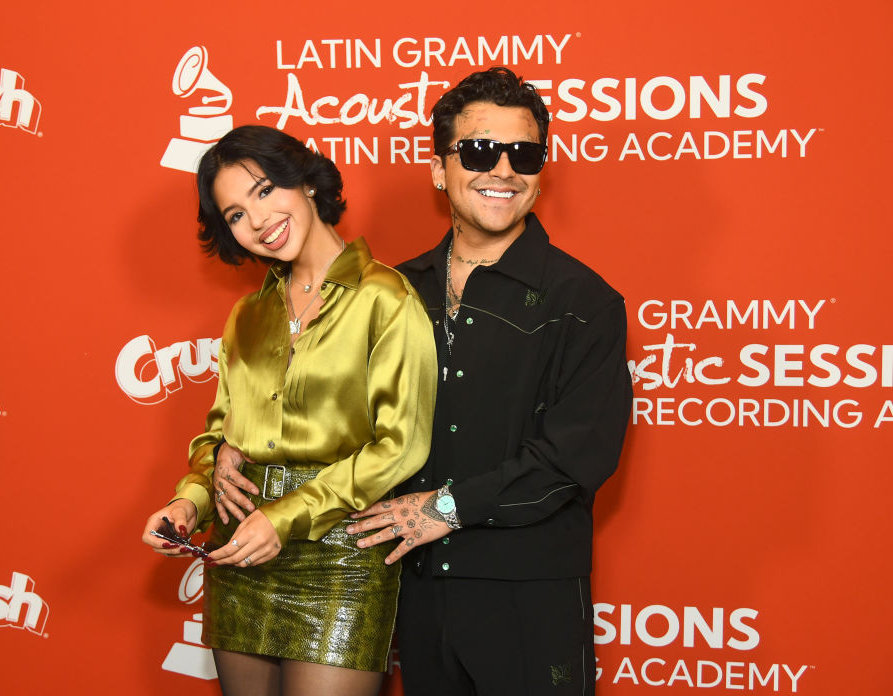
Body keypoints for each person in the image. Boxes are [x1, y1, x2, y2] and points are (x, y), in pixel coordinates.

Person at [345, 67, 633, 695]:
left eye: (523, 153)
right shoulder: (391, 291)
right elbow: (331, 409)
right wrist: (229, 447)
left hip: (528, 595)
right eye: (478, 149)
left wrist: (446, 508)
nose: (503, 169)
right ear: (437, 168)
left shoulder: (585, 302)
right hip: (416, 590)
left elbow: (576, 455)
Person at [141, 125, 436, 696]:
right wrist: (189, 501)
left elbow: (400, 444)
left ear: (305, 179)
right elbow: (219, 439)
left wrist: (286, 516)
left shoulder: (388, 299)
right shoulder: (246, 317)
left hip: (341, 550)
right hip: (240, 550)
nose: (257, 220)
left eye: (265, 189)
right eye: (233, 214)